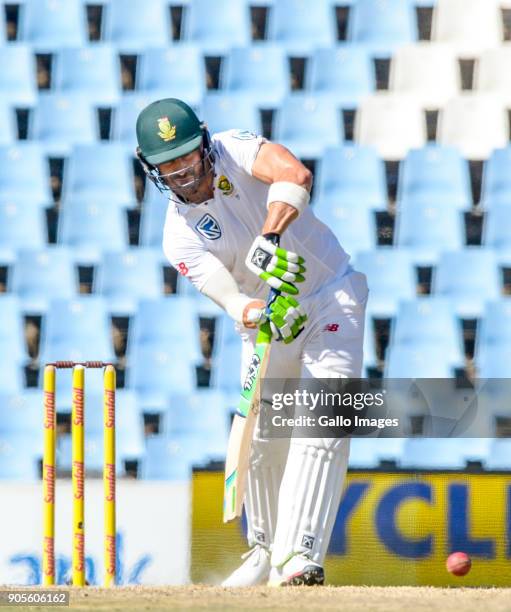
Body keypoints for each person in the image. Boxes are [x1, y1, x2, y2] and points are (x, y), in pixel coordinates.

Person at [135, 98, 368, 586]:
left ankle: (298, 556)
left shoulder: (235, 148)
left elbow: (294, 173)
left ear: (203, 143)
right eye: (166, 163)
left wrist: (270, 236)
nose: (179, 170)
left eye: (184, 155)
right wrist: (257, 310)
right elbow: (230, 299)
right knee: (264, 436)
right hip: (268, 324)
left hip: (333, 297)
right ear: (150, 168)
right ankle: (264, 548)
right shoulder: (177, 236)